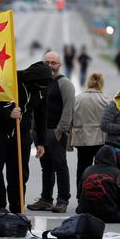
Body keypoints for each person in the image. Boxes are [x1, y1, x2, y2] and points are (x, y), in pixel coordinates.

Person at [0, 61, 52, 230]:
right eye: (39, 84)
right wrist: (9, 113)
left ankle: (16, 211)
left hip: (22, 134)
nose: (41, 88)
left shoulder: (43, 88)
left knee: (18, 175)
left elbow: (41, 115)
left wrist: (41, 142)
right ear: (32, 78)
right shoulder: (9, 79)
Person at [28, 52, 74, 213]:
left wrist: (60, 131)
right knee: (46, 167)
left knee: (60, 166)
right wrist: (33, 129)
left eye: (53, 63)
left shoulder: (64, 83)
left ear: (59, 65)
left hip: (56, 132)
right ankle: (46, 199)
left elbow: (69, 109)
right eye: (47, 62)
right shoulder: (39, 84)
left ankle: (62, 200)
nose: (50, 65)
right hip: (39, 133)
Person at [71, 72, 110, 189]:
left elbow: (72, 118)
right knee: (101, 169)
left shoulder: (78, 99)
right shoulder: (106, 100)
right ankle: (98, 193)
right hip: (101, 139)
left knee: (82, 166)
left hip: (82, 138)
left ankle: (80, 193)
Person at [76, 146, 120, 223]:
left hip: (85, 215)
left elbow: (79, 195)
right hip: (110, 216)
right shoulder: (117, 173)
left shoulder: (87, 170)